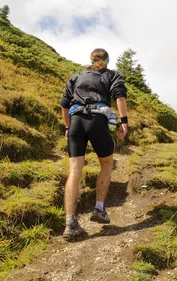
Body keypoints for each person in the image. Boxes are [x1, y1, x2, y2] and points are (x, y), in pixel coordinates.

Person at [59, 48, 129, 239]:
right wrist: (123, 122)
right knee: (106, 163)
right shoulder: (112, 75)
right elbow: (119, 97)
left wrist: (67, 127)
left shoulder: (77, 76)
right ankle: (99, 209)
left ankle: (70, 223)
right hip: (97, 121)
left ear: (91, 59)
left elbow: (64, 105)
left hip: (75, 123)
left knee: (74, 171)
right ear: (106, 60)